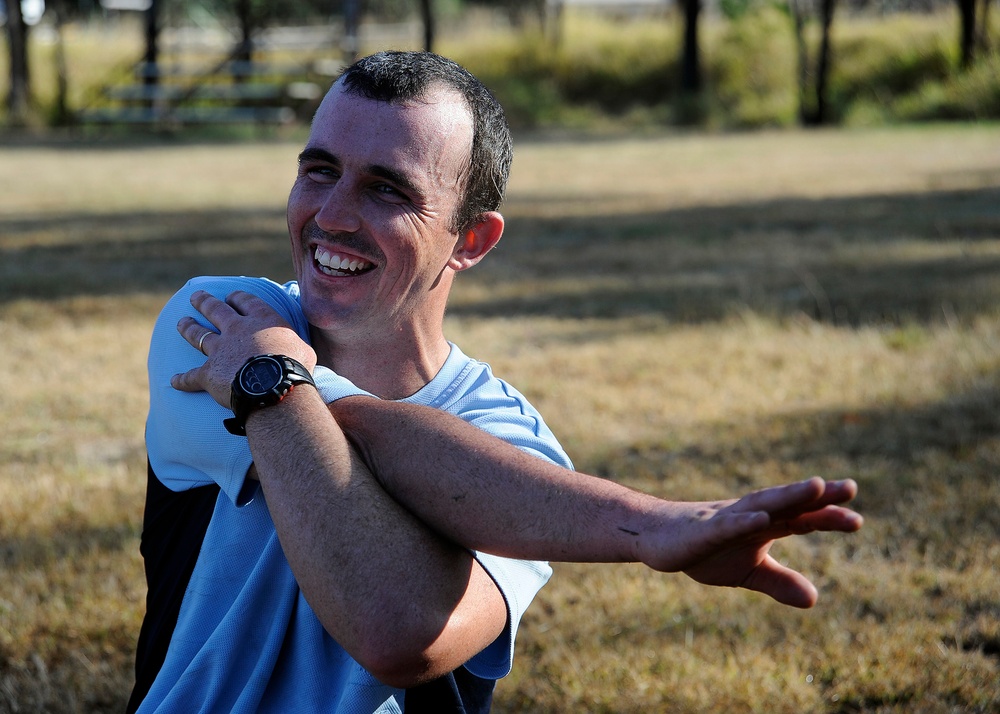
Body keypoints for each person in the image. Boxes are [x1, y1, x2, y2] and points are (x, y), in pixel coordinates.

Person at [128, 51, 862, 713]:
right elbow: (370, 435)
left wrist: (272, 383)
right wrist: (641, 525)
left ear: (471, 239)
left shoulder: (518, 451)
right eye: (319, 170)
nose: (332, 215)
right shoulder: (217, 320)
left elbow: (400, 631)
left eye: (387, 190)